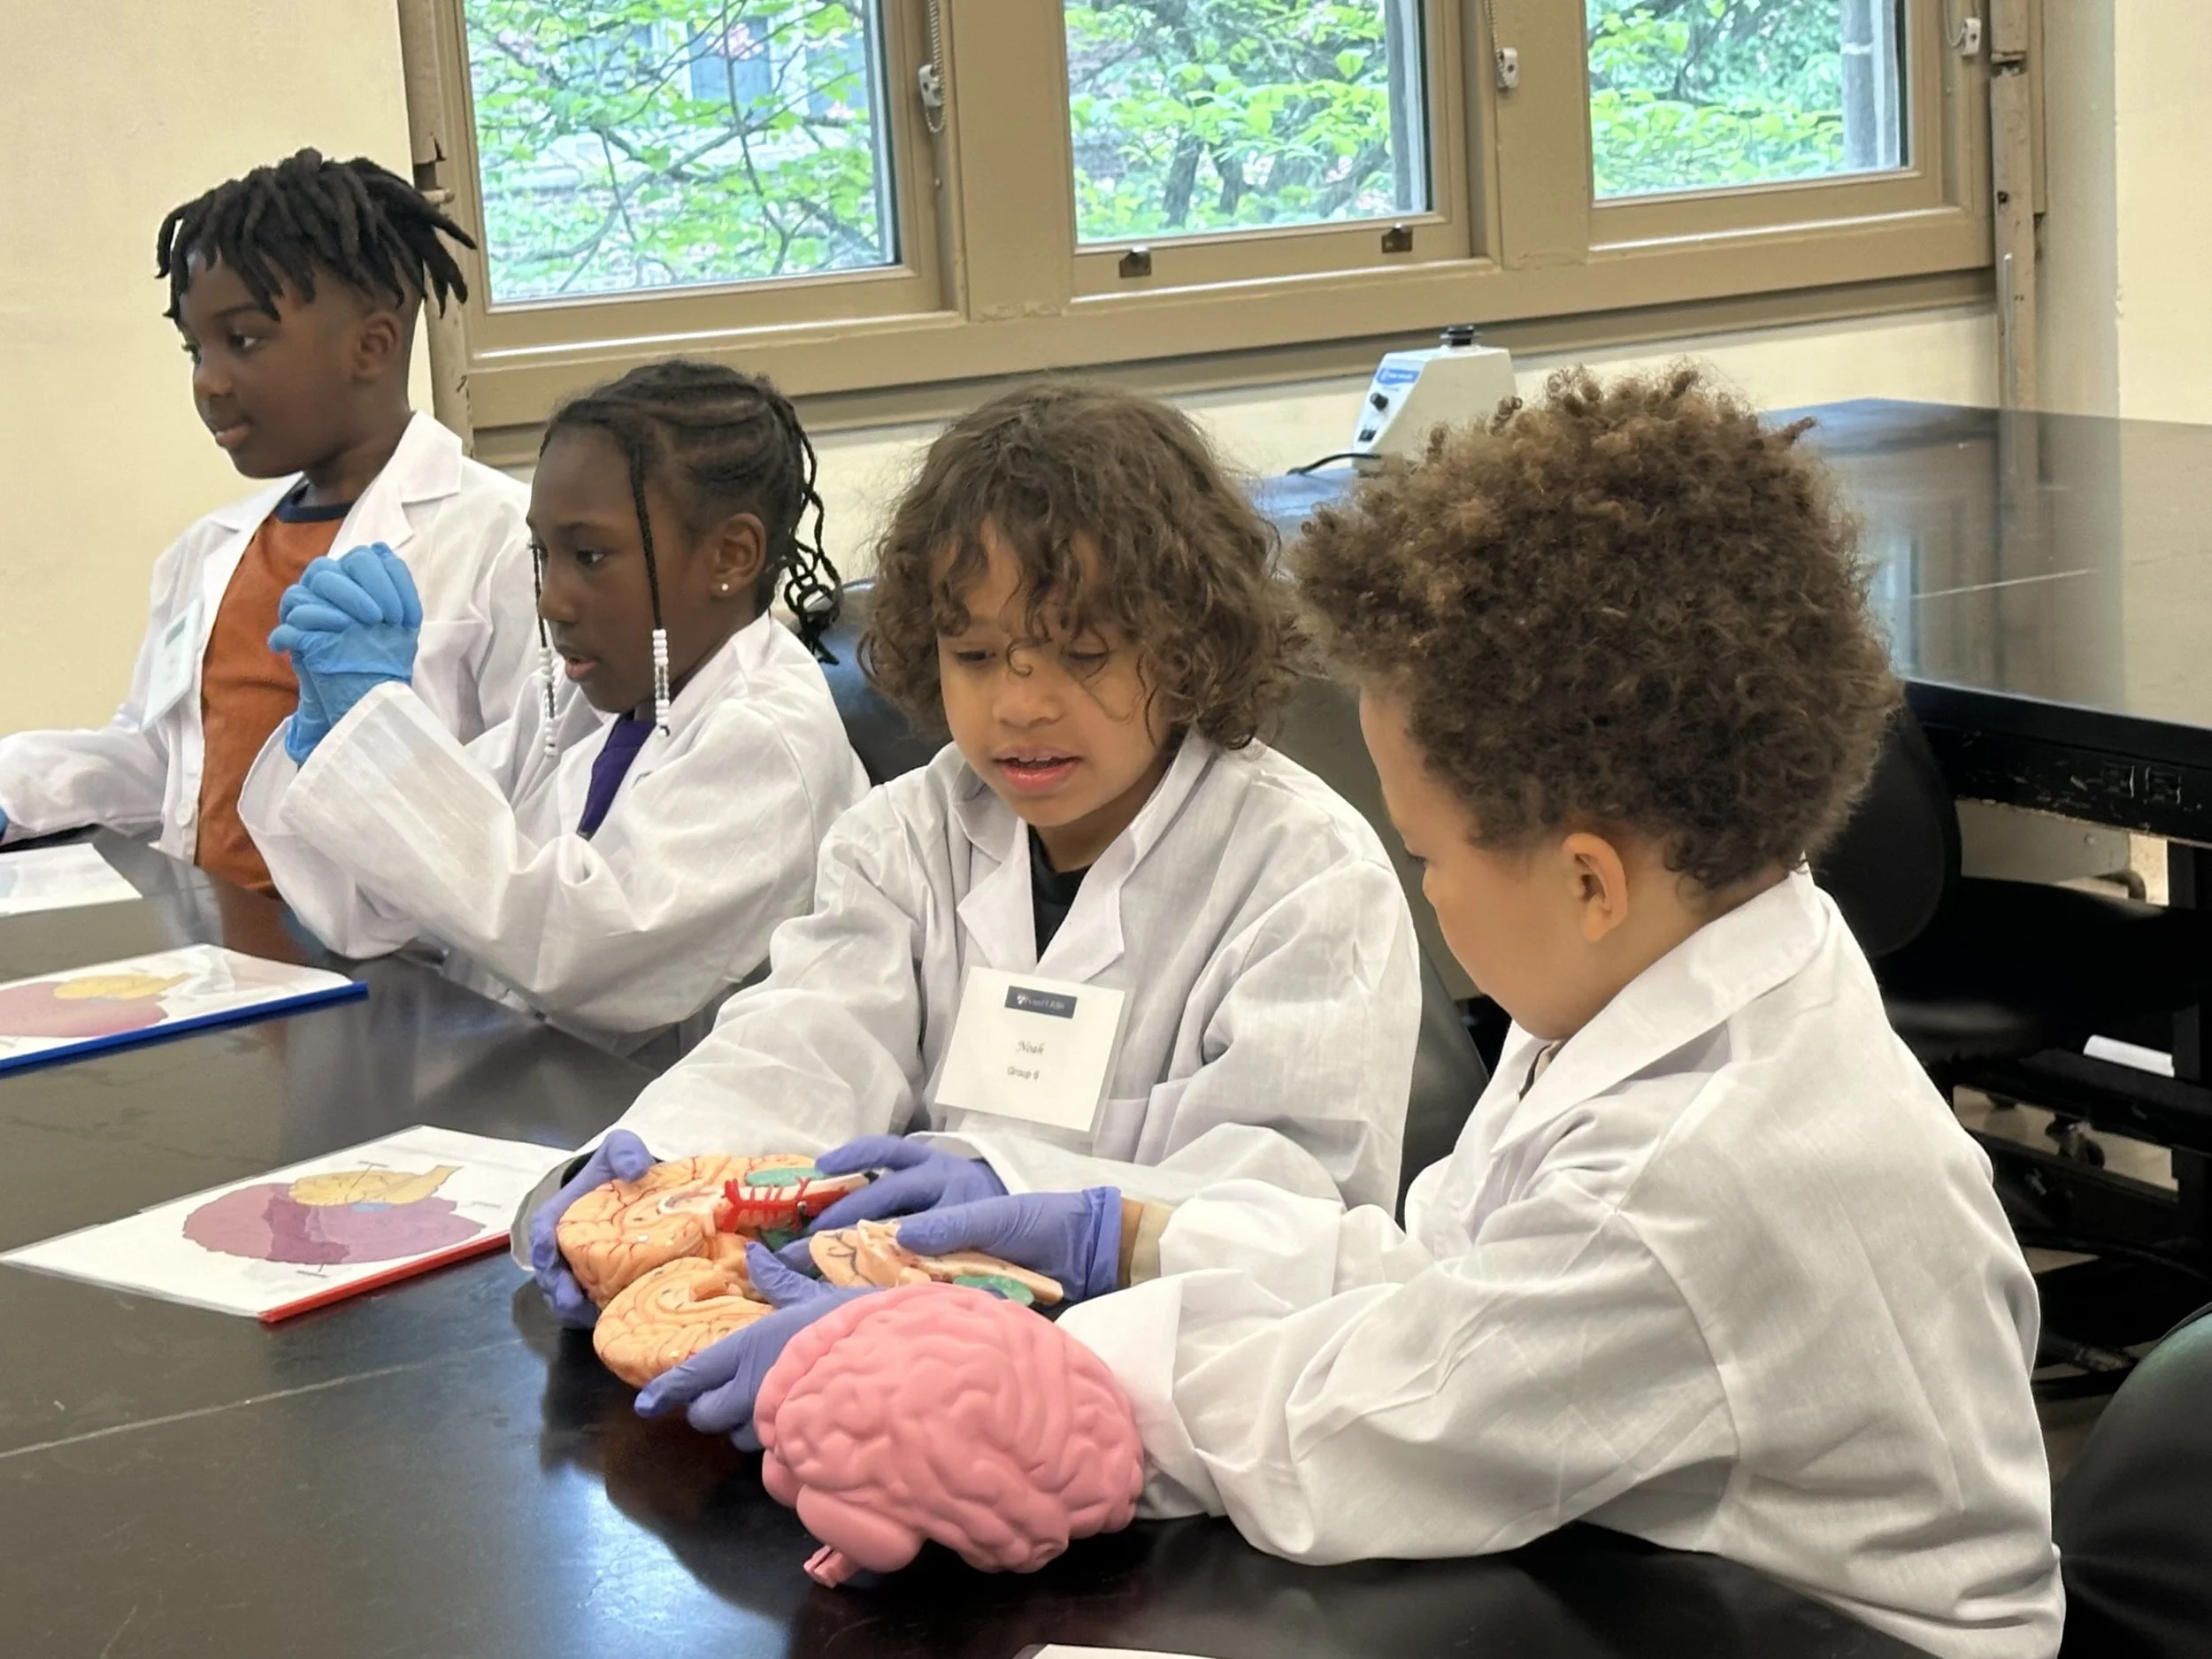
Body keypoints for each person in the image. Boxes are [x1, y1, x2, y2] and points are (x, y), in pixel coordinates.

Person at [656, 369, 2066, 1657]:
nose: (1425, 886)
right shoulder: (1690, 964)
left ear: (1584, 875)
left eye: (1434, 852)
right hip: (1652, 1574)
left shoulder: (1694, 1169)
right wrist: (1138, 1227)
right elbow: (1437, 1273)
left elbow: (1365, 1428)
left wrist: (995, 1373)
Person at [524, 381, 1422, 1325]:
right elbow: (803, 1047)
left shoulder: (1302, 873)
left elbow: (1287, 1210)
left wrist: (1025, 1195)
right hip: (913, 1339)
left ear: (1189, 642)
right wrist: (655, 1165)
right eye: (979, 656)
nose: (1020, 707)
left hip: (1165, 1370)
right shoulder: (902, 837)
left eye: (1082, 653)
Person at [236, 360, 869, 1058]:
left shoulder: (770, 738)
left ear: (732, 554)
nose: (550, 600)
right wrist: (331, 741)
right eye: (544, 554)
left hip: (686, 1139)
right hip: (537, 1091)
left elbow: (582, 951)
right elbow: (379, 912)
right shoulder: (586, 705)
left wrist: (383, 745)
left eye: (590, 555)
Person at [0, 150, 535, 896]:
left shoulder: (504, 541)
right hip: (219, 950)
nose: (208, 383)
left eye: (242, 340)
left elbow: (532, 788)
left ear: (371, 346)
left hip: (409, 967)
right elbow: (166, 762)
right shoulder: (205, 554)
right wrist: (14, 787)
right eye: (195, 349)